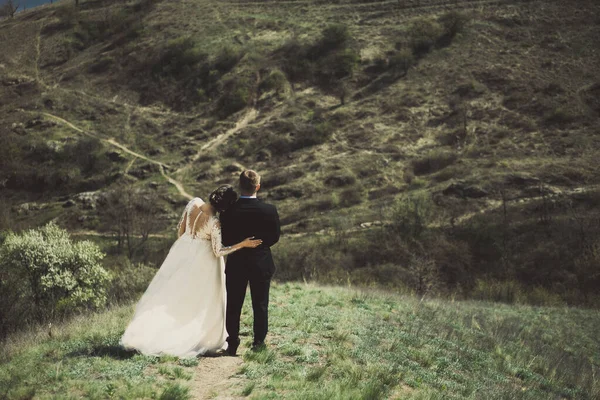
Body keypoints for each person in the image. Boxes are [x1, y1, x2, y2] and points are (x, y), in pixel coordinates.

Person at [120, 185, 262, 358]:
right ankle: (192, 336)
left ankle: (151, 332)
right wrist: (243, 244)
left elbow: (180, 230)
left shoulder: (193, 203)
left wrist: (189, 246)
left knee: (172, 296)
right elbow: (218, 251)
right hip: (204, 263)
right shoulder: (214, 222)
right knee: (198, 300)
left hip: (183, 252)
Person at [220, 170, 281, 356]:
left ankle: (232, 344)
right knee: (260, 304)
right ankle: (258, 343)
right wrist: (259, 246)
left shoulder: (228, 211)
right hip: (261, 262)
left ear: (240, 186)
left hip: (236, 262)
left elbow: (225, 239)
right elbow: (274, 237)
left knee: (233, 304)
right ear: (258, 186)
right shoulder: (269, 210)